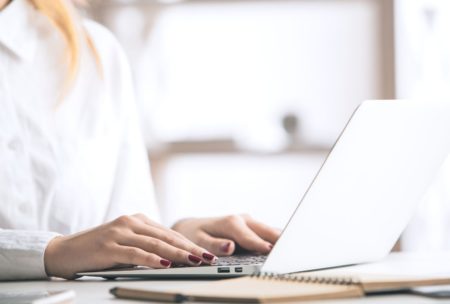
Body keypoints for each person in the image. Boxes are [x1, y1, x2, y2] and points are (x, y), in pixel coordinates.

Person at [0, 0, 280, 280]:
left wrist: (175, 241)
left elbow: (120, 227)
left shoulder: (92, 48)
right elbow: (68, 251)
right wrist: (50, 252)